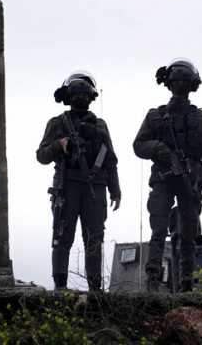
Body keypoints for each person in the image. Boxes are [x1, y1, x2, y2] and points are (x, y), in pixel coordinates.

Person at [133, 58, 202, 293]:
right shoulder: (155, 116)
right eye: (176, 82)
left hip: (190, 181)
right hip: (163, 179)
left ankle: (186, 282)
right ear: (169, 84)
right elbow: (139, 145)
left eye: (185, 82)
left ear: (192, 85)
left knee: (188, 233)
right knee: (159, 230)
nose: (180, 86)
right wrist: (158, 148)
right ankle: (153, 279)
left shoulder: (200, 118)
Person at [36, 71, 121, 291]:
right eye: (76, 95)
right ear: (68, 97)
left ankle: (95, 289)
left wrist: (115, 191)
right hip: (67, 185)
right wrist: (59, 144)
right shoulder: (57, 123)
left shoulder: (100, 125)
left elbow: (110, 159)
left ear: (91, 97)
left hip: (95, 186)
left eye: (84, 95)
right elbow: (42, 156)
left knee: (94, 239)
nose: (80, 99)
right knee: (62, 236)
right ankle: (60, 287)